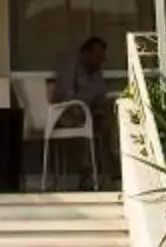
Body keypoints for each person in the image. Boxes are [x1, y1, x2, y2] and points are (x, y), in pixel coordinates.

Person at [49, 33, 118, 186]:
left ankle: (115, 168)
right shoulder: (71, 66)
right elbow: (66, 95)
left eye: (102, 59)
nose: (100, 63)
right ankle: (85, 171)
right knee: (86, 122)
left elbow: (101, 91)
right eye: (97, 57)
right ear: (86, 53)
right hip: (67, 112)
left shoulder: (95, 69)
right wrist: (82, 110)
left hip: (91, 111)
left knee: (110, 122)